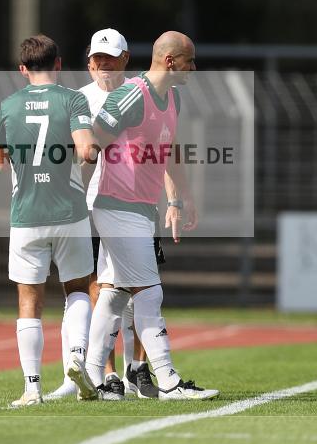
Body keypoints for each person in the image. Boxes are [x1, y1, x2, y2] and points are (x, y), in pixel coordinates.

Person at [83, 30, 219, 400]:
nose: (194, 68)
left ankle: (91, 375)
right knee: (149, 292)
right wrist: (73, 199)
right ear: (170, 61)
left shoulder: (172, 98)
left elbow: (169, 151)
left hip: (143, 209)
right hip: (116, 206)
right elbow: (91, 141)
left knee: (114, 294)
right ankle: (170, 382)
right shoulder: (131, 95)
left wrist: (181, 198)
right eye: (190, 60)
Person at [45, 28, 160, 401]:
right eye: (96, 59)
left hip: (136, 205)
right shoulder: (78, 100)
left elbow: (164, 150)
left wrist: (173, 199)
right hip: (91, 207)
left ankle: (137, 368)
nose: (102, 66)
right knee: (101, 290)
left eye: (110, 59)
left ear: (125, 60)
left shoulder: (141, 95)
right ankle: (108, 373)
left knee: (139, 288)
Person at [0, 34, 99, 407]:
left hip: (26, 216)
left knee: (29, 301)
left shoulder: (8, 105)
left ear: (23, 69)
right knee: (77, 289)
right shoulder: (73, 99)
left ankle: (32, 387)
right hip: (69, 212)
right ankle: (75, 356)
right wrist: (91, 150)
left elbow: (1, 157)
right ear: (58, 64)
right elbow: (86, 149)